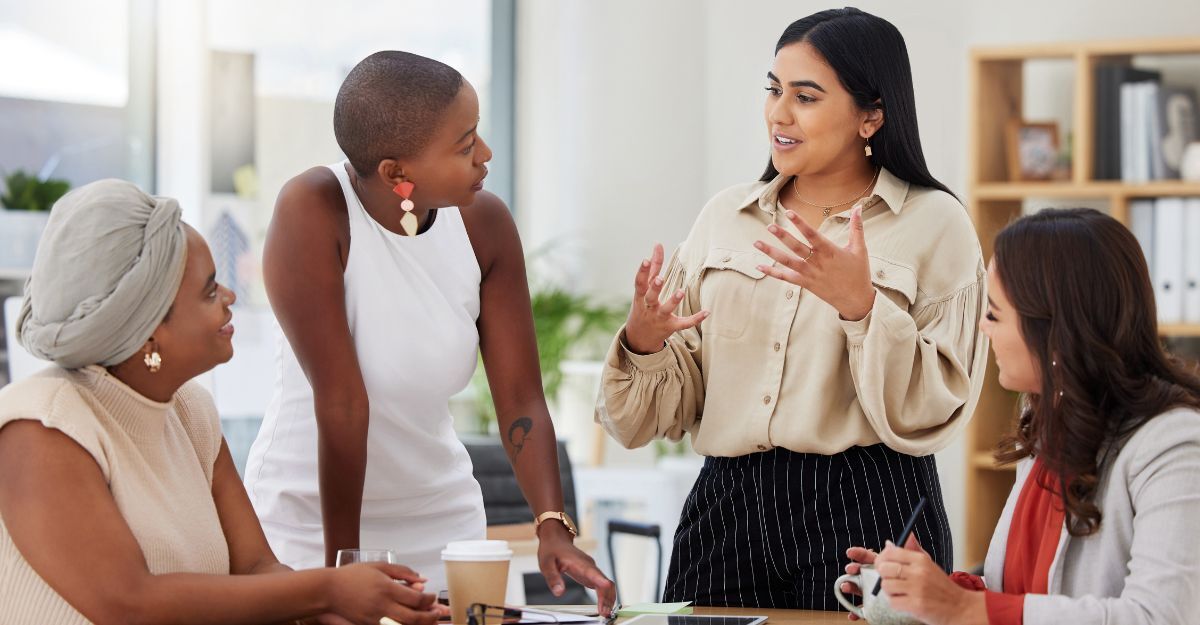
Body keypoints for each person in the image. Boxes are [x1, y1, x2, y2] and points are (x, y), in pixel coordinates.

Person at [596, 8, 987, 609]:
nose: (779, 113)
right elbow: (656, 416)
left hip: (868, 503)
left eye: (805, 96)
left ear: (871, 114)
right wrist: (644, 343)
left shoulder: (935, 223)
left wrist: (862, 307)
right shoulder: (725, 217)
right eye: (774, 90)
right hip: (727, 505)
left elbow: (936, 405)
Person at [242, 51, 614, 609]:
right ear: (398, 172)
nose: (485, 155)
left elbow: (519, 397)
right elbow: (342, 402)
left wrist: (551, 525)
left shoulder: (484, 224)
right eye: (465, 146)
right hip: (309, 526)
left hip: (445, 526)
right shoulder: (315, 209)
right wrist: (341, 571)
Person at [0, 179, 442, 625]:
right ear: (149, 331)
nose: (230, 297)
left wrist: (337, 610)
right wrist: (329, 589)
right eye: (210, 291)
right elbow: (129, 602)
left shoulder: (191, 411)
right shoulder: (42, 428)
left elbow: (256, 569)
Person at [842, 208, 1200, 625]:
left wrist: (960, 608)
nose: (982, 327)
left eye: (994, 313)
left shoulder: (1175, 445)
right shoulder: (1050, 416)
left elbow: (1160, 616)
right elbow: (1026, 596)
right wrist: (936, 595)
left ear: (1054, 328)